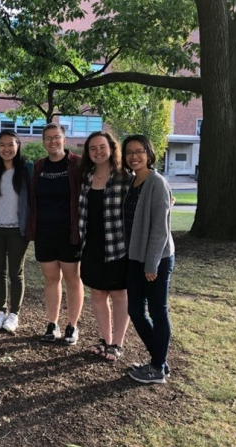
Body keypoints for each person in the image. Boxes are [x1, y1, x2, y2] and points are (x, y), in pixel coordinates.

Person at [121, 134, 175, 384]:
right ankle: (159, 361)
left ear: (149, 153)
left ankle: (157, 367)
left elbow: (160, 229)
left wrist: (152, 264)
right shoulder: (132, 182)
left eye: (139, 151)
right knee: (135, 310)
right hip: (135, 257)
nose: (134, 156)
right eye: (129, 152)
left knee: (157, 311)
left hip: (156, 259)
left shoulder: (157, 182)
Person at [27, 123, 84, 345]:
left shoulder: (77, 164)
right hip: (44, 233)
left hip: (70, 233)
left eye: (57, 137)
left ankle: (73, 325)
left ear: (64, 139)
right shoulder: (39, 167)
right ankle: (53, 323)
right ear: (43, 142)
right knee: (51, 279)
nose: (53, 141)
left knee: (72, 279)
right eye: (48, 138)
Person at [78, 131, 132, 361]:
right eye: (93, 148)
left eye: (102, 147)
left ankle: (117, 344)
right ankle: (105, 340)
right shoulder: (86, 177)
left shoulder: (125, 177)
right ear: (88, 153)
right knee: (98, 294)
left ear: (111, 148)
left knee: (119, 294)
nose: (98, 152)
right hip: (91, 245)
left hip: (118, 245)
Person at [0, 130, 32, 333]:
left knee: (16, 273)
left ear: (18, 145)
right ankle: (0, 310)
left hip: (17, 229)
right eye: (2, 144)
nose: (6, 148)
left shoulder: (27, 169)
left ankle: (14, 313)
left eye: (10, 144)